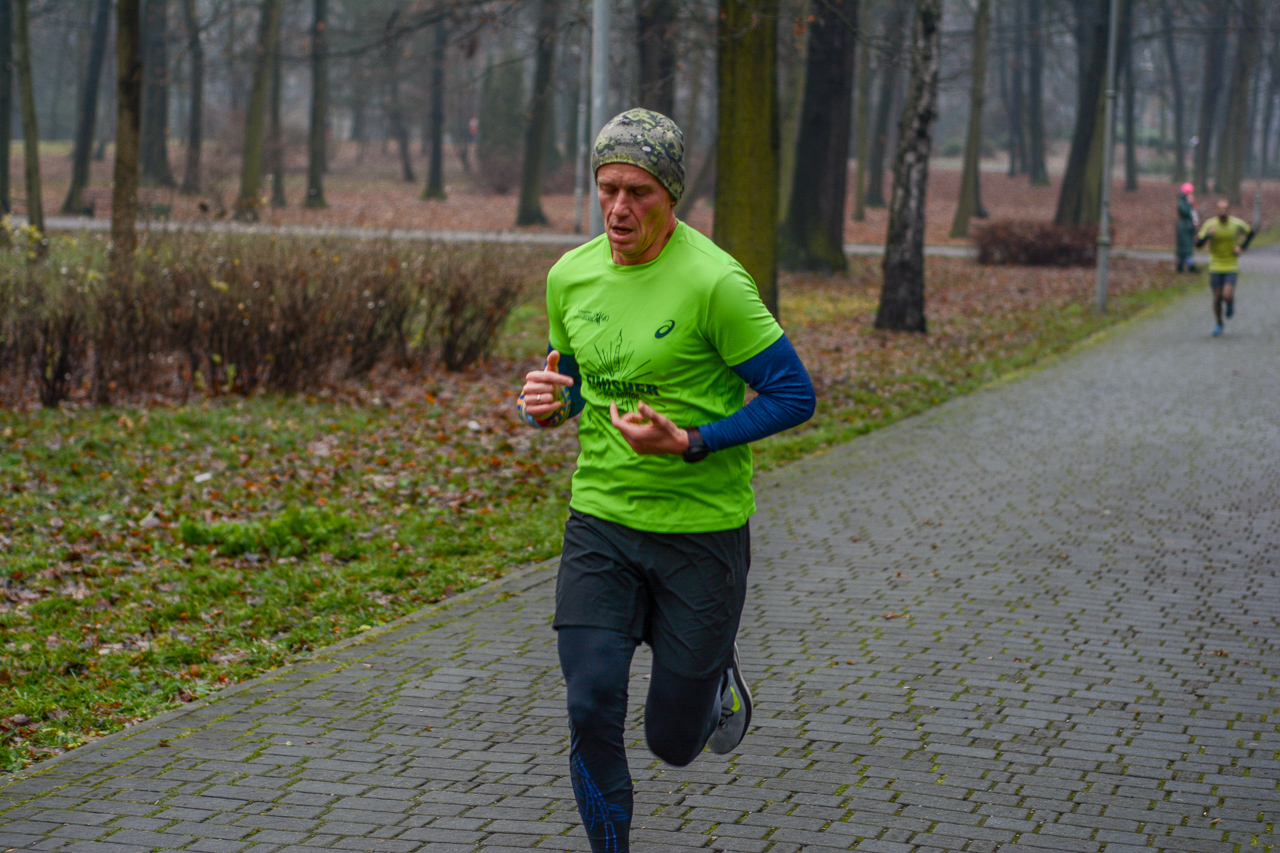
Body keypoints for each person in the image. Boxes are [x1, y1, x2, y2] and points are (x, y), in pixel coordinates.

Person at [517, 108, 815, 853]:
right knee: (589, 704)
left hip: (701, 532)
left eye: (639, 192)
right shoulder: (569, 276)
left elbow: (794, 395)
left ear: (672, 195)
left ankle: (712, 681)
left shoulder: (715, 283)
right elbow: (578, 382)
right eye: (607, 188)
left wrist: (691, 439)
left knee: (673, 741)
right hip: (602, 522)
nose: (619, 208)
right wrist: (547, 408)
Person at [1195, 198, 1254, 336]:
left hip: (1231, 265)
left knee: (1226, 295)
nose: (1222, 212)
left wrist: (1242, 247)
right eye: (1220, 209)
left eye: (1225, 209)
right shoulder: (1210, 225)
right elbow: (1198, 244)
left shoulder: (1236, 223)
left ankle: (1230, 303)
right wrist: (1208, 236)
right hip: (1215, 265)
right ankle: (1219, 323)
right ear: (1216, 211)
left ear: (1229, 211)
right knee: (1216, 297)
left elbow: (1251, 233)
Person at [1176, 182, 1199, 273]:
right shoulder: (1182, 203)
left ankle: (1181, 265)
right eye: (1189, 194)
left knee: (1187, 246)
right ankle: (1190, 265)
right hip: (1184, 228)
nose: (1191, 196)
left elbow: (1194, 215)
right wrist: (1190, 205)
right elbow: (1185, 212)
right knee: (1185, 247)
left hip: (1189, 227)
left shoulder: (1190, 203)